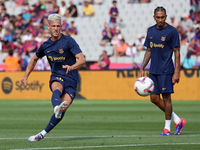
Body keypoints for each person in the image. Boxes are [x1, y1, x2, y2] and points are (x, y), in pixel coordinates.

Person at [21, 14, 85, 141]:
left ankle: (42, 134)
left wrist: (71, 67)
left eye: (58, 26)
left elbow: (82, 60)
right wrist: (25, 76)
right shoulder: (46, 46)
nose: (56, 29)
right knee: (57, 88)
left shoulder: (69, 41)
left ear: (61, 27)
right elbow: (34, 60)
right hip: (57, 76)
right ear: (48, 27)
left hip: (71, 79)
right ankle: (56, 107)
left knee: (62, 111)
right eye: (53, 26)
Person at [139, 6, 186, 136]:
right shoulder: (150, 31)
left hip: (166, 70)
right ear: (154, 17)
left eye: (162, 17)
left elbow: (177, 53)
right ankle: (178, 120)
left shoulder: (172, 31)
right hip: (153, 70)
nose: (160, 19)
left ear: (165, 17)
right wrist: (142, 67)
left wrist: (177, 72)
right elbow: (148, 51)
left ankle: (167, 128)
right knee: (153, 98)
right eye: (158, 17)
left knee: (166, 99)